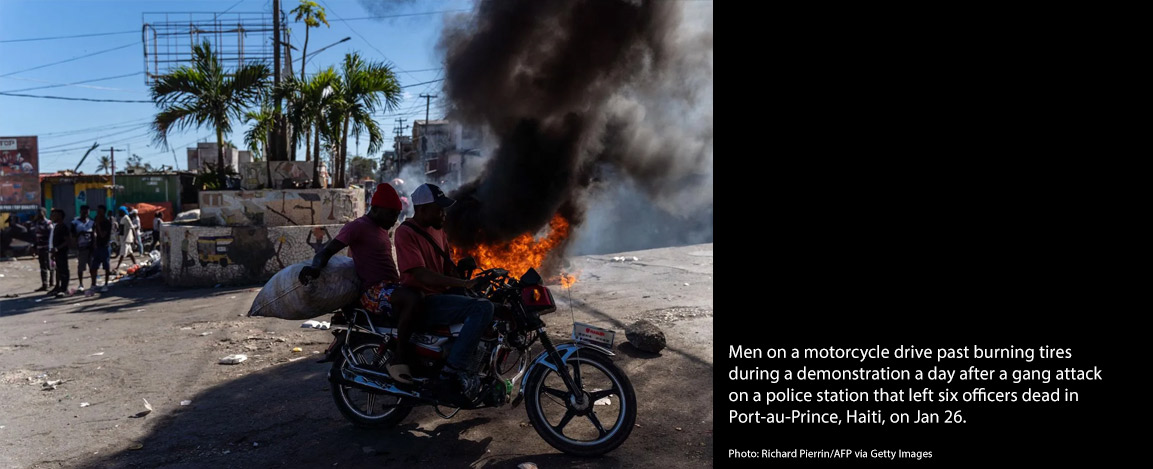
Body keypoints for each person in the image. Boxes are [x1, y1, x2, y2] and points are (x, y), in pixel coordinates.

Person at [395, 183, 492, 399]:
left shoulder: (439, 232)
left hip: (443, 296)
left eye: (444, 209)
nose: (443, 214)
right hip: (425, 301)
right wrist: (464, 285)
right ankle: (451, 372)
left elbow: (447, 267)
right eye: (438, 209)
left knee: (491, 304)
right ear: (421, 210)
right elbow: (421, 274)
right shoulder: (405, 233)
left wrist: (465, 272)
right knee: (482, 310)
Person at [299, 182, 410, 368]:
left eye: (397, 215)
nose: (394, 219)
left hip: (389, 287)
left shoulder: (381, 229)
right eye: (391, 214)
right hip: (373, 292)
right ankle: (402, 356)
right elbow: (326, 251)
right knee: (412, 299)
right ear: (375, 209)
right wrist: (314, 268)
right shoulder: (357, 226)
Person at [89, 205, 114, 293]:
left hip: (105, 246)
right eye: (97, 211)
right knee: (94, 267)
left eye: (100, 211)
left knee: (106, 267)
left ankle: (106, 284)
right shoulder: (95, 222)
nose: (98, 213)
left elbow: (103, 235)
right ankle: (93, 284)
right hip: (97, 247)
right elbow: (94, 233)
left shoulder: (107, 223)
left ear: (104, 212)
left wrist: (98, 224)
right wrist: (94, 243)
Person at [47, 208, 71, 296]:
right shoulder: (56, 226)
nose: (53, 217)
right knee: (58, 270)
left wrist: (57, 248)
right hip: (56, 252)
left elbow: (67, 241)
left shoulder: (63, 227)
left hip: (62, 252)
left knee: (64, 271)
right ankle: (58, 287)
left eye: (55, 215)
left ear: (60, 216)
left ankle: (64, 289)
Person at [72, 205, 95, 292]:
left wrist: (94, 245)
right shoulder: (75, 223)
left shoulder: (92, 223)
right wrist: (79, 235)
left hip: (91, 249)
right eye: (83, 211)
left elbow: (94, 234)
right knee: (81, 267)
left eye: (87, 212)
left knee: (92, 267)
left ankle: (93, 284)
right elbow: (72, 236)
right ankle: (81, 284)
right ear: (80, 211)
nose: (85, 213)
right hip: (81, 248)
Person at [30, 208, 53, 291]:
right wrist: (34, 246)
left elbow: (51, 235)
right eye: (38, 212)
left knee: (49, 266)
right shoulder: (36, 223)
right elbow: (35, 236)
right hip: (40, 247)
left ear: (44, 213)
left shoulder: (48, 223)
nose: (39, 214)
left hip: (47, 247)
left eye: (40, 212)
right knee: (43, 266)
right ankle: (45, 284)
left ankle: (51, 283)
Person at [114, 206, 137, 272]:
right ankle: (135, 264)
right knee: (130, 253)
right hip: (124, 239)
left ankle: (117, 267)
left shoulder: (126, 218)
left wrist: (135, 239)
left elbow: (132, 228)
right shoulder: (123, 218)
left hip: (126, 240)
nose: (119, 213)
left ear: (123, 212)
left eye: (120, 212)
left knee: (122, 254)